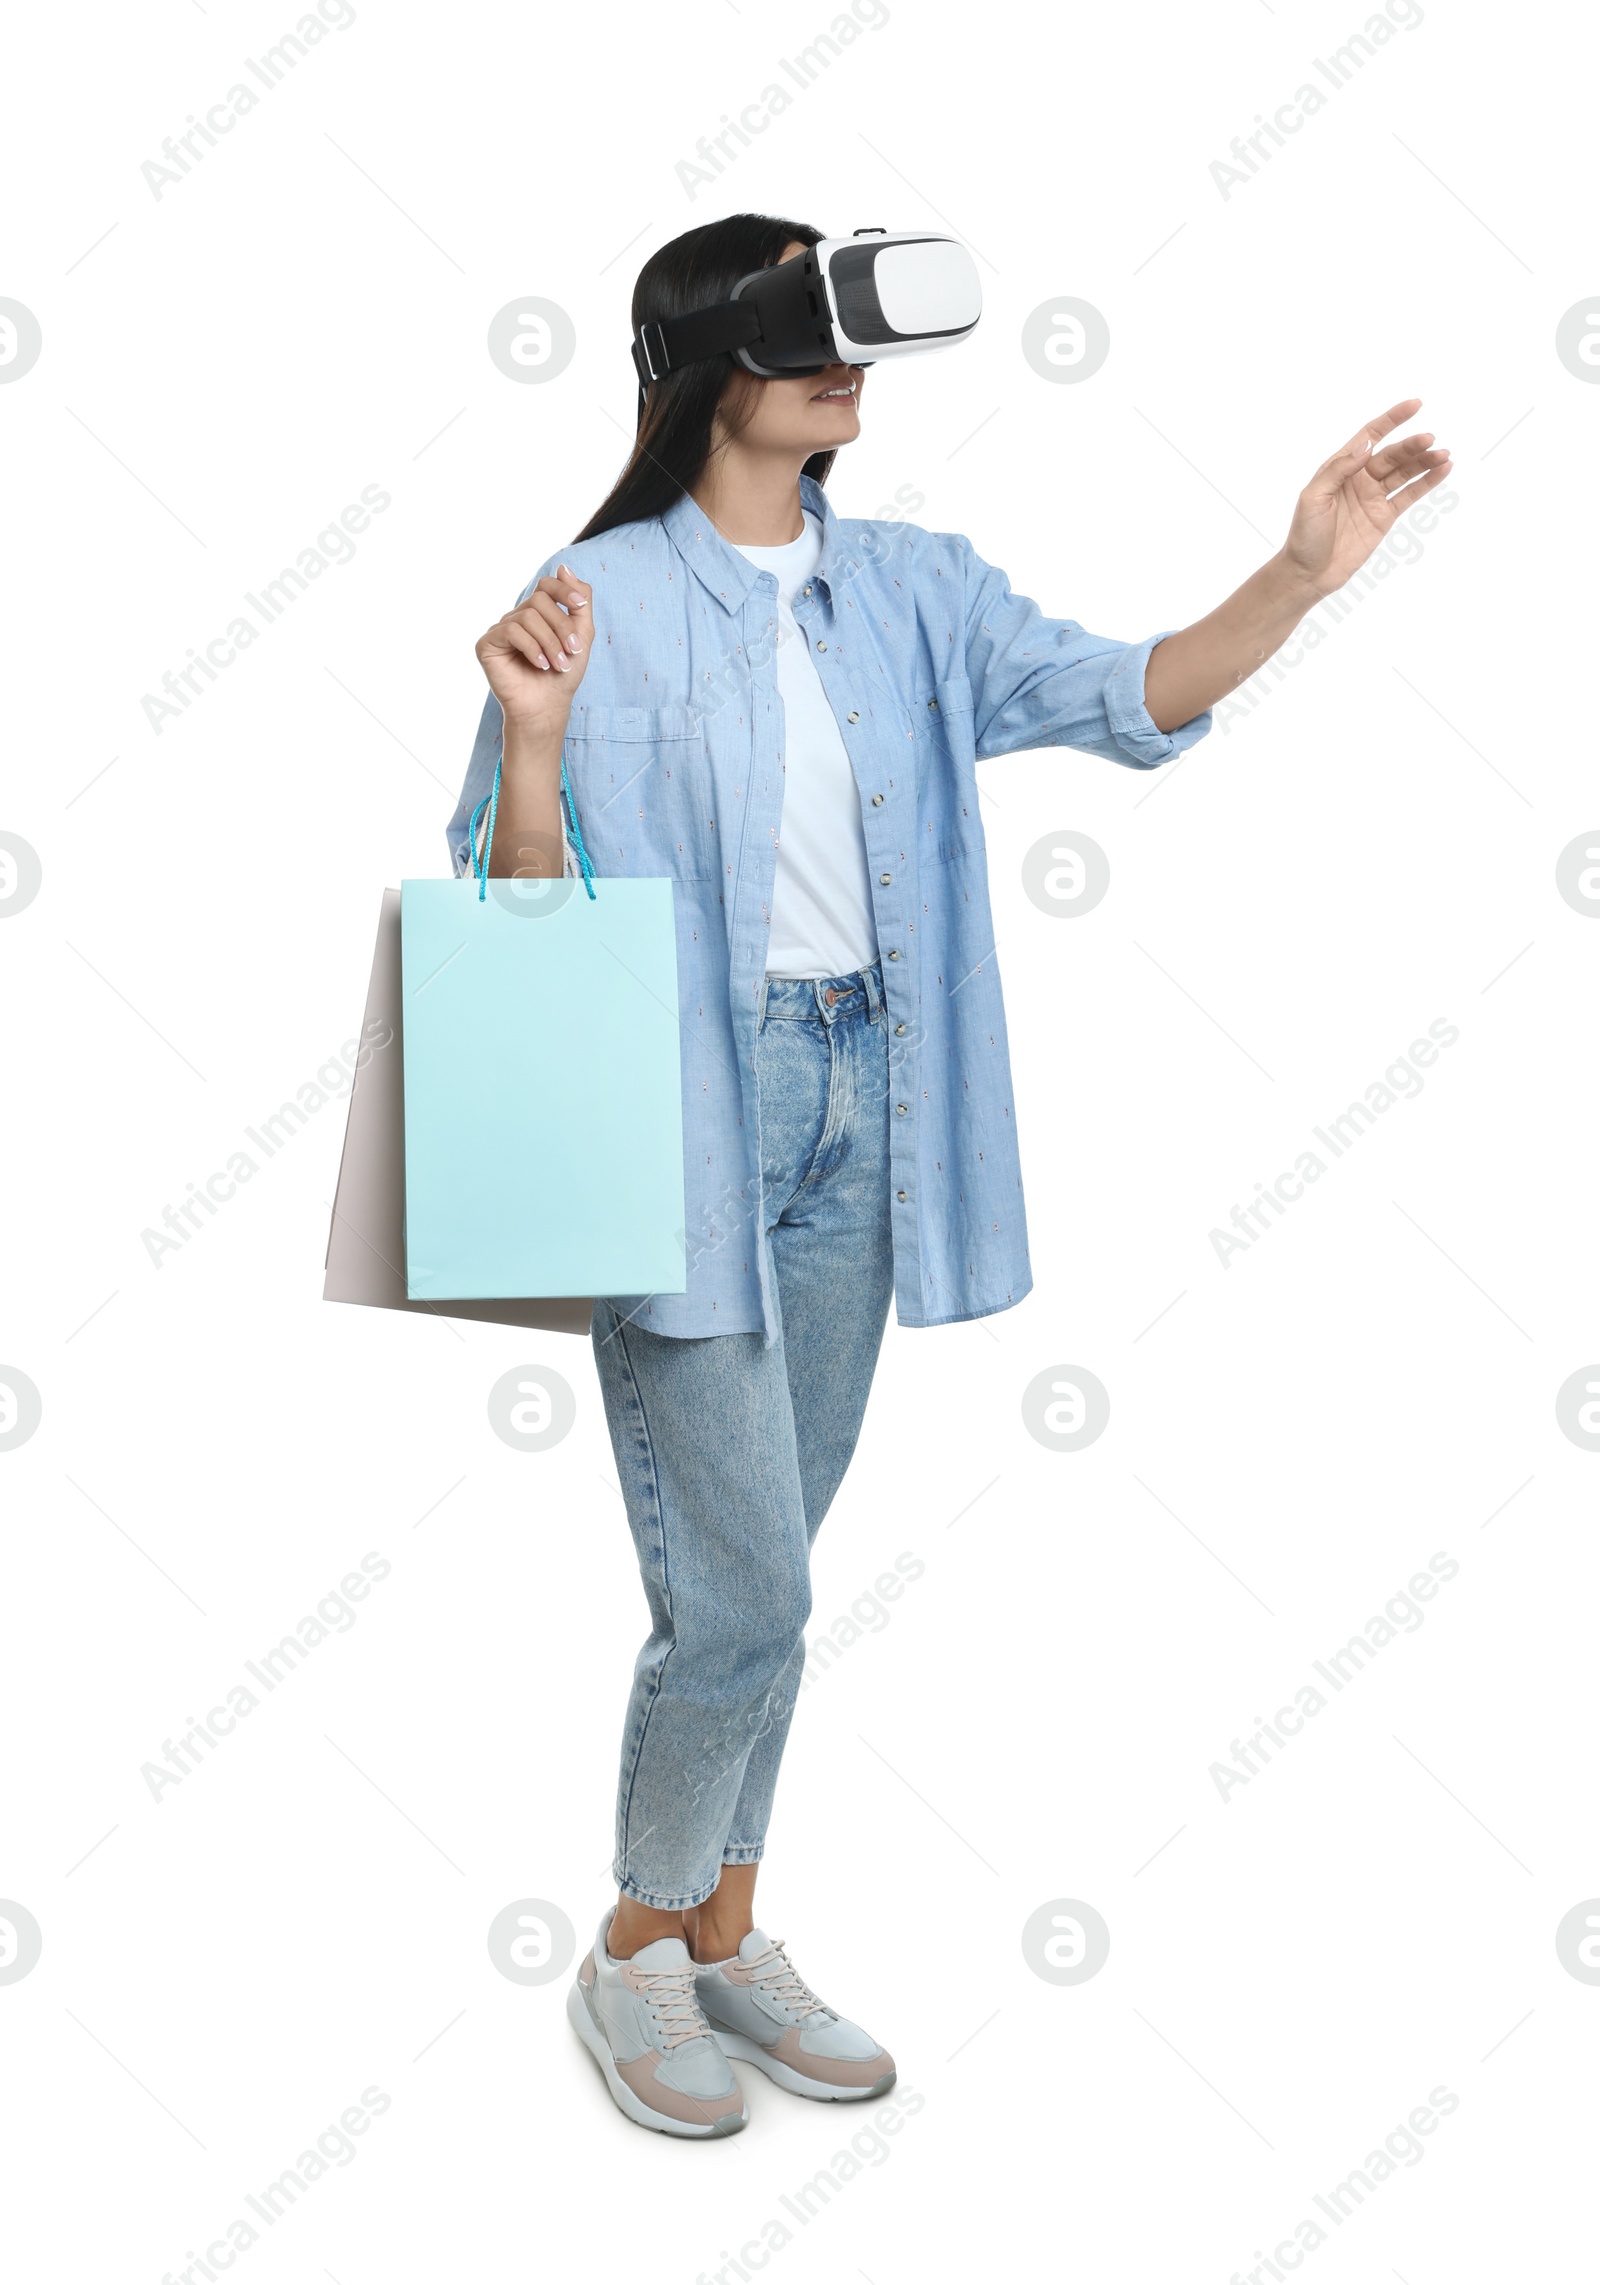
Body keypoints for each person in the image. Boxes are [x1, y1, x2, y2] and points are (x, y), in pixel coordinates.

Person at [446, 212, 1452, 2138]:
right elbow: (512, 914)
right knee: (739, 1591)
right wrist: (534, 735)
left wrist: (1301, 576)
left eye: (858, 340)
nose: (852, 372)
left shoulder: (910, 585)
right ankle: (636, 1946)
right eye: (808, 335)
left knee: (775, 1576)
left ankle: (728, 1931)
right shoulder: (596, 589)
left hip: (869, 1103)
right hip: (678, 1115)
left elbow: (1125, 692)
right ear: (707, 369)